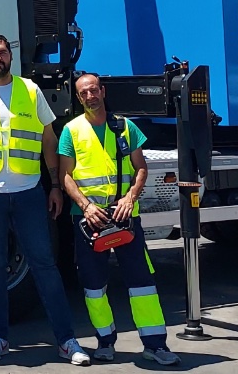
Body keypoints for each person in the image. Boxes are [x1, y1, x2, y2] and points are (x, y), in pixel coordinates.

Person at [0, 34, 91, 366]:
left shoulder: (30, 89)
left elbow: (47, 137)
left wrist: (55, 184)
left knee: (45, 266)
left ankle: (67, 340)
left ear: (10, 56)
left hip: (28, 191)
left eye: (2, 52)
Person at [58, 72, 179, 366]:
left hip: (126, 217)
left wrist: (130, 198)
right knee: (94, 285)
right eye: (83, 93)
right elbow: (65, 175)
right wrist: (85, 206)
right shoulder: (70, 131)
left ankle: (155, 345)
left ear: (102, 91)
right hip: (89, 221)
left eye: (93, 90)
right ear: (78, 98)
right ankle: (105, 342)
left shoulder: (126, 127)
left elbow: (141, 168)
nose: (90, 96)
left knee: (142, 283)